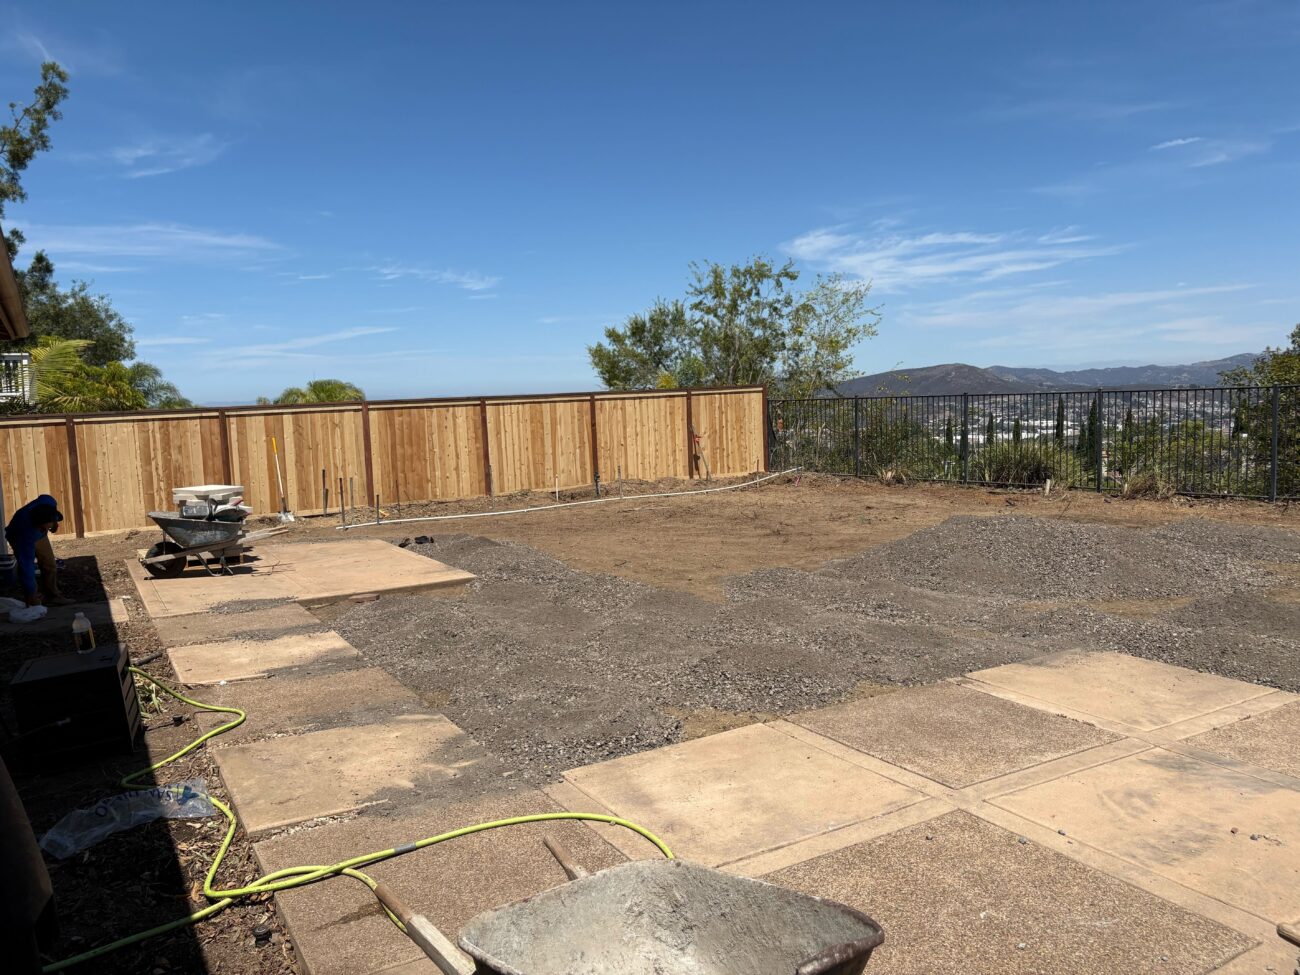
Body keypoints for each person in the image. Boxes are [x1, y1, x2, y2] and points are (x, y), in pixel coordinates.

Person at [4, 494, 72, 607]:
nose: (48, 530)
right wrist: (32, 593)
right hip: (19, 535)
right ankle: (31, 599)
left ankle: (52, 597)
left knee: (49, 563)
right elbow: (28, 566)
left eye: (48, 528)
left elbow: (45, 498)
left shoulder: (48, 502)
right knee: (26, 567)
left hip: (38, 533)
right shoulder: (25, 533)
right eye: (45, 528)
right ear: (38, 525)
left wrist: (54, 523)